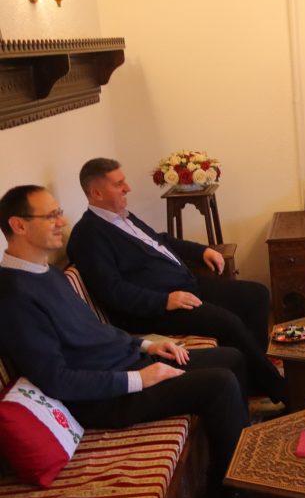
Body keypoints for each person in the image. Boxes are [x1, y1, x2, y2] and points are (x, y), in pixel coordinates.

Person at [0, 185, 248, 498]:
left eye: (59, 213)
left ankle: (241, 461)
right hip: (104, 397)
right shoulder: (14, 296)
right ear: (18, 225)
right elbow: (56, 379)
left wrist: (146, 346)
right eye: (51, 216)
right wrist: (139, 379)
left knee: (232, 358)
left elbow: (93, 331)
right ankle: (231, 492)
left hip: (126, 364)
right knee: (219, 383)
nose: (62, 222)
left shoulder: (47, 273)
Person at [66, 158, 285, 403]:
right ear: (96, 192)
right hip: (155, 308)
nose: (128, 188)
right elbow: (113, 291)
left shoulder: (123, 216)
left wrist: (201, 251)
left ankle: (255, 380)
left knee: (256, 295)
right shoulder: (88, 235)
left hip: (186, 286)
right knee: (228, 322)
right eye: (119, 184)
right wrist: (164, 301)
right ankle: (279, 389)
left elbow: (161, 240)